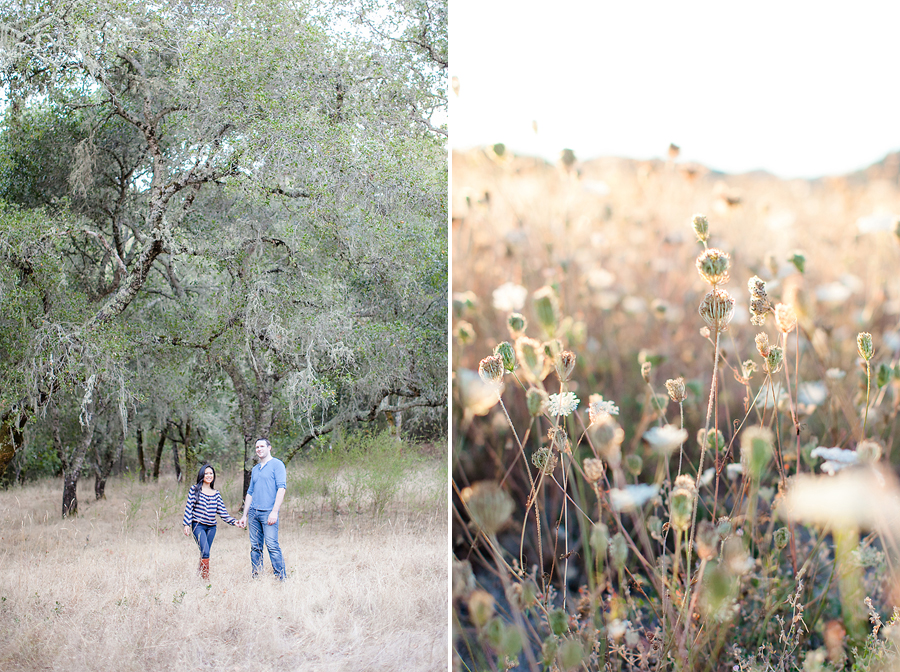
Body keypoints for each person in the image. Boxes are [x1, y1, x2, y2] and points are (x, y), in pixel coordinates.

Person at [182, 463, 245, 580]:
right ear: (202, 475)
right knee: (205, 551)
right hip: (198, 525)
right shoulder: (194, 489)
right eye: (206, 473)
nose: (209, 475)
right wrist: (186, 524)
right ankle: (205, 580)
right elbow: (189, 507)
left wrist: (235, 522)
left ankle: (199, 575)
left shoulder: (216, 494)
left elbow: (223, 513)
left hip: (211, 527)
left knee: (204, 552)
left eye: (211, 473)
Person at [238, 438, 287, 580]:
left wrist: (274, 511)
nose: (259, 449)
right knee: (255, 547)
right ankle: (257, 576)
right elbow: (250, 492)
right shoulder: (255, 469)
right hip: (254, 513)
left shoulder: (277, 465)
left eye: (262, 446)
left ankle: (280, 577)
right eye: (257, 447)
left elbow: (281, 488)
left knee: (272, 545)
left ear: (269, 448)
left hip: (268, 512)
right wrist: (244, 516)